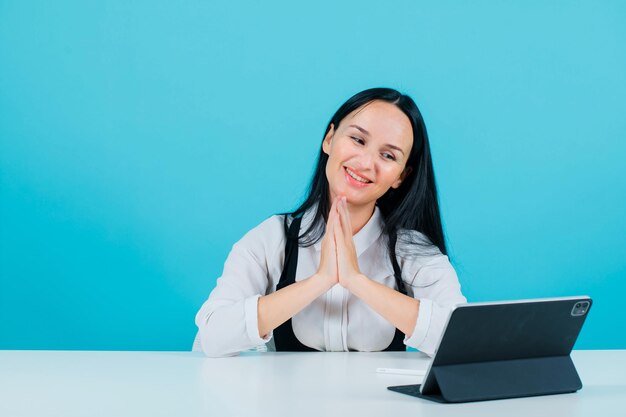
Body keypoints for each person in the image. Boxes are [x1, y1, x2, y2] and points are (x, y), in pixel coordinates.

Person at [194, 87, 466, 357]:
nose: (366, 162)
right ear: (329, 139)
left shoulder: (412, 251)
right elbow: (211, 338)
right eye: (358, 140)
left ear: (400, 176)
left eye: (388, 155)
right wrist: (320, 280)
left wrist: (357, 281)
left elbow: (463, 341)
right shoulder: (271, 239)